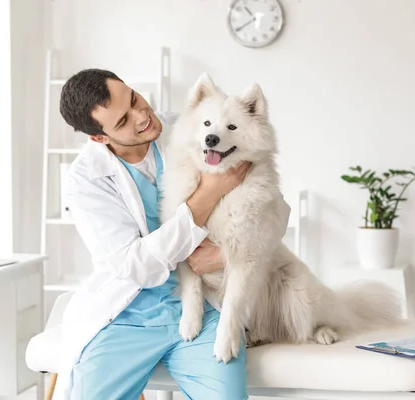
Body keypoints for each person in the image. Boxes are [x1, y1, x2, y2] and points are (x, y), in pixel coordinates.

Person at [53, 68, 290, 400]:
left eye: (135, 99)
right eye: (123, 121)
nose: (141, 117)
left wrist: (225, 255)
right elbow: (134, 265)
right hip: (129, 313)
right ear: (99, 138)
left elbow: (275, 210)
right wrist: (209, 192)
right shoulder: (85, 180)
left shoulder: (197, 128)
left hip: (205, 305)